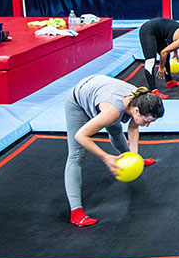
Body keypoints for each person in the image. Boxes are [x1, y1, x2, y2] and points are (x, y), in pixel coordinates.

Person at [64, 75, 165, 227]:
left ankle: (132, 158)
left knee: (116, 131)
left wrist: (134, 157)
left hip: (100, 93)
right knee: (76, 155)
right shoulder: (113, 111)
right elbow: (81, 136)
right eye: (146, 121)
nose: (147, 125)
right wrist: (105, 157)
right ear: (137, 111)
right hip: (78, 102)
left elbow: (133, 126)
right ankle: (76, 212)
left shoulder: (140, 98)